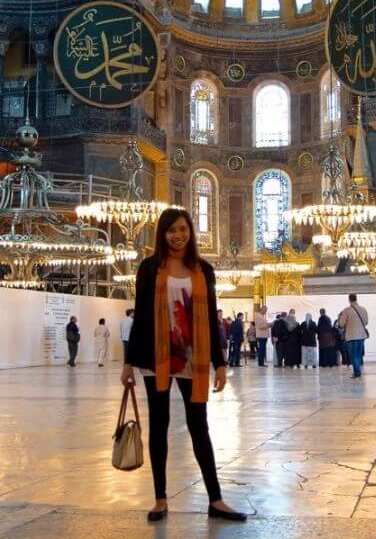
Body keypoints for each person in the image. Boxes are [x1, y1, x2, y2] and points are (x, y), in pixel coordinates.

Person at [122, 207, 246, 522]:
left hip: (193, 357)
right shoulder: (150, 268)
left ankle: (215, 499)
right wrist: (128, 362)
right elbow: (140, 315)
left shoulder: (203, 269)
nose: (178, 235)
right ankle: (160, 498)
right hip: (156, 356)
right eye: (171, 230)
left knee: (199, 427)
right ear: (162, 234)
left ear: (190, 232)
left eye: (183, 229)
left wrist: (220, 363)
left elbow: (211, 318)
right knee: (159, 426)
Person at [338, 294, 369, 378]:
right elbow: (366, 322)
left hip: (351, 336)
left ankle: (357, 373)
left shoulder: (346, 310)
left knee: (353, 355)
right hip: (361, 336)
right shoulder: (363, 309)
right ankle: (357, 372)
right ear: (356, 299)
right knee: (358, 355)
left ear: (349, 300)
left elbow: (341, 324)